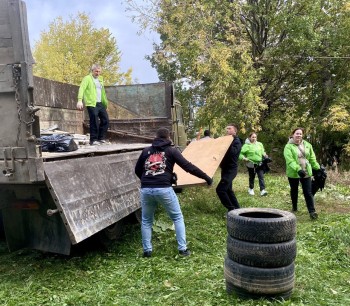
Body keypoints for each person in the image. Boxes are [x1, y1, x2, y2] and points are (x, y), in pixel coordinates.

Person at [135, 127, 213, 258]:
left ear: (156, 137)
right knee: (177, 217)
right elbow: (188, 167)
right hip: (164, 189)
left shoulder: (146, 151)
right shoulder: (171, 150)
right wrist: (206, 177)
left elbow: (137, 170)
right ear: (168, 137)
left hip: (146, 189)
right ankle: (183, 249)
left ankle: (147, 251)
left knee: (146, 220)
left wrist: (147, 181)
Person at [283, 127, 321, 220]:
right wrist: (298, 169)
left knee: (308, 192)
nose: (299, 135)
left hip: (306, 171)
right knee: (294, 190)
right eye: (297, 133)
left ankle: (312, 212)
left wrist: (318, 168)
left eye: (300, 134)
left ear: (302, 135)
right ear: (293, 134)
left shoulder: (308, 145)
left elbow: (312, 158)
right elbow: (289, 160)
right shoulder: (288, 146)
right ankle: (295, 207)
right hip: (294, 172)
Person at [77, 64, 109, 145]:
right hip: (91, 103)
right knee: (94, 120)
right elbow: (82, 88)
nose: (97, 73)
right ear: (92, 71)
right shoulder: (87, 78)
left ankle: (101, 138)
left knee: (105, 120)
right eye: (96, 71)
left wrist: (105, 104)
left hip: (100, 103)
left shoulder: (100, 79)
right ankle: (93, 140)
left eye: (99, 71)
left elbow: (103, 93)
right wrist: (80, 100)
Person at [216, 123, 242, 212]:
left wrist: (228, 143)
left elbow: (233, 153)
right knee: (228, 190)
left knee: (220, 190)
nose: (227, 130)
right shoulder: (226, 140)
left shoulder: (237, 141)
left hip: (231, 170)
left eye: (229, 129)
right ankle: (238, 209)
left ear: (235, 131)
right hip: (225, 169)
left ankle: (231, 209)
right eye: (227, 129)